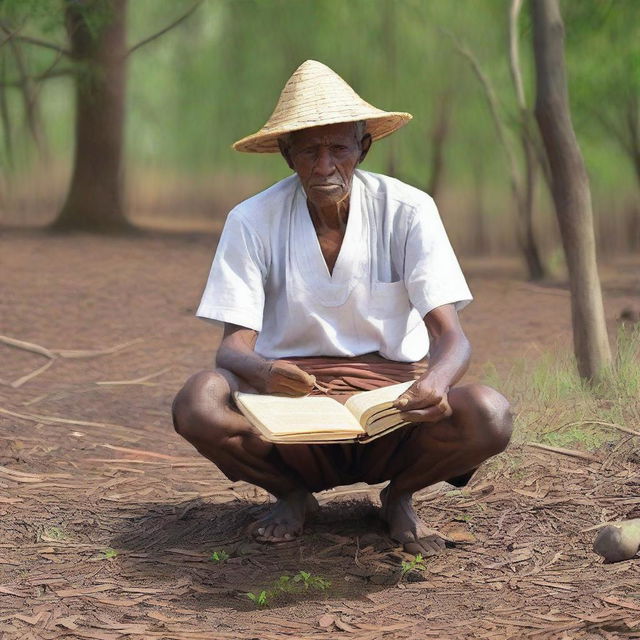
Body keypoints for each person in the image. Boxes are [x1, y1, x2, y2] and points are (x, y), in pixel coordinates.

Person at [172, 60, 512, 556]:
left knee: (490, 413)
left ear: (364, 147)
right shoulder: (251, 220)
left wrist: (435, 385)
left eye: (338, 148)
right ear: (287, 156)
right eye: (308, 150)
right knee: (197, 403)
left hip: (393, 408)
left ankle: (399, 495)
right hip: (291, 411)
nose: (323, 166)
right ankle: (292, 494)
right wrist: (266, 372)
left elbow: (451, 337)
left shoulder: (409, 210)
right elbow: (231, 350)